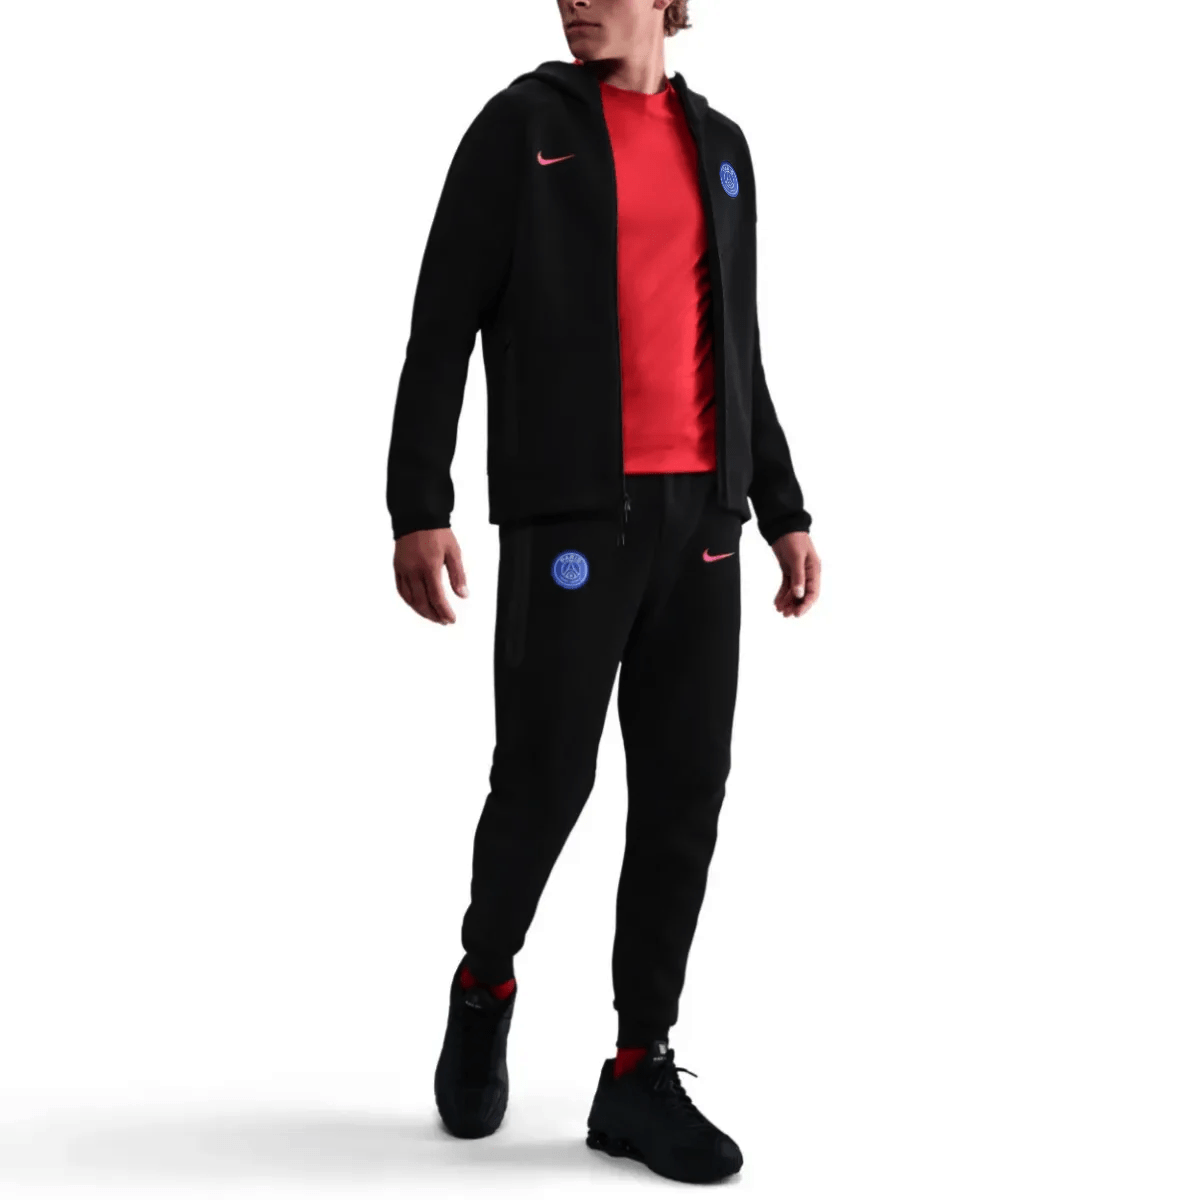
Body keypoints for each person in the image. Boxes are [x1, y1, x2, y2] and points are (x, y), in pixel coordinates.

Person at [386, 0, 821, 1183]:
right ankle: (485, 982)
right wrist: (418, 500)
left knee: (684, 794)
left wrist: (782, 506)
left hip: (704, 522)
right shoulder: (520, 129)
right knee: (544, 779)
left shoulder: (722, 147)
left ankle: (638, 1068)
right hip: (572, 517)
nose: (575, 1)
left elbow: (739, 343)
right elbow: (442, 321)